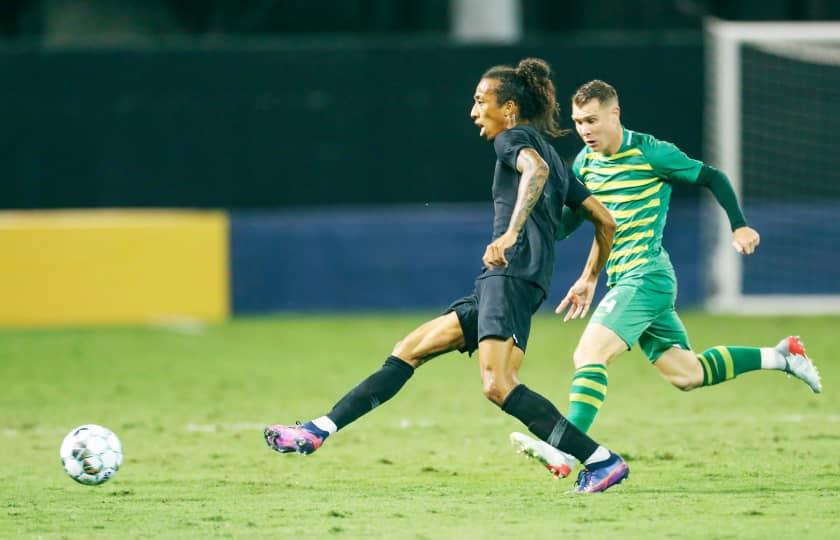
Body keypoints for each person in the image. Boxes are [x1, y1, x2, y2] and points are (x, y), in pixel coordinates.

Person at [264, 60, 628, 493]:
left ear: (508, 108)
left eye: (480, 101)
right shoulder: (553, 153)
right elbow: (606, 222)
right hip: (517, 281)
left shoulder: (514, 140)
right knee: (410, 349)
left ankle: (600, 460)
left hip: (509, 276)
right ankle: (317, 430)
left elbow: (537, 172)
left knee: (498, 386)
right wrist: (589, 277)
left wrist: (511, 233)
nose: (474, 111)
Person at [510, 79, 822, 479]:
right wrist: (528, 228)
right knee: (686, 373)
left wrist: (740, 226)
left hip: (646, 275)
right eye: (578, 122)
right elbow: (573, 223)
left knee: (589, 355)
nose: (585, 130)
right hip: (626, 278)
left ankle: (567, 451)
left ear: (614, 114)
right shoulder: (585, 164)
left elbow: (712, 177)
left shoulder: (651, 152)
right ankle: (782, 356)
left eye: (592, 120)